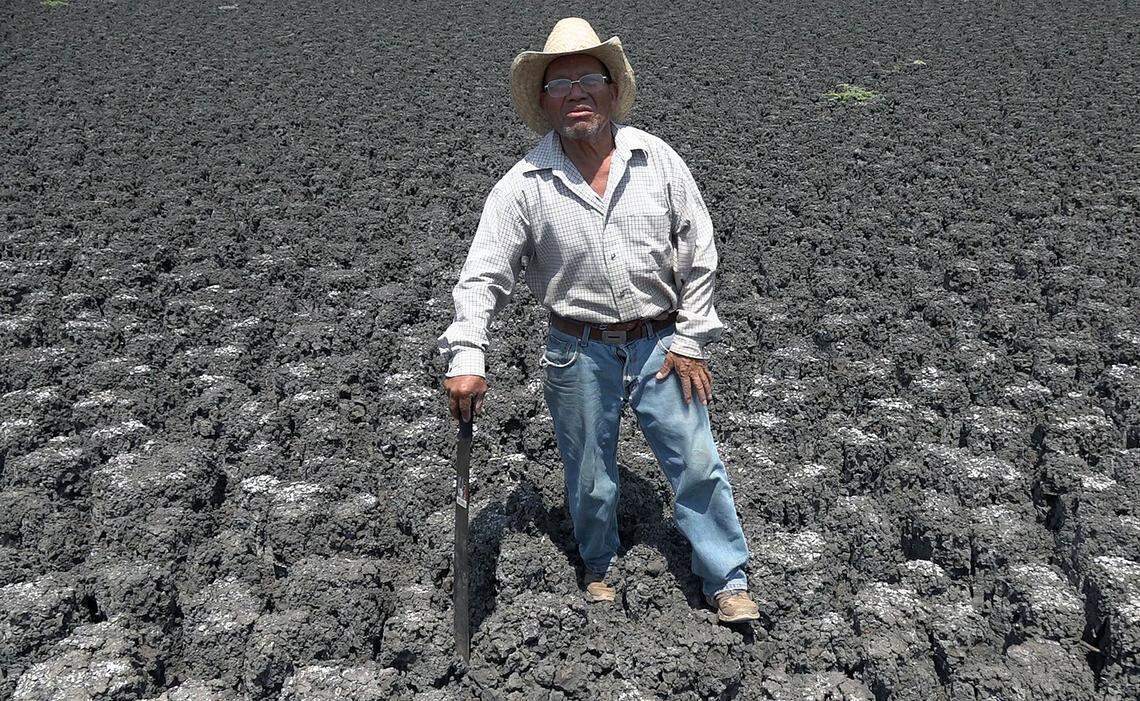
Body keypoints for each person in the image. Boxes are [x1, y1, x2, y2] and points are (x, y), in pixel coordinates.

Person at [437, 17, 759, 623]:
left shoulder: (656, 160)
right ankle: (600, 566)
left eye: (590, 79)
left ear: (613, 91)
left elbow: (699, 251)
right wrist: (468, 354)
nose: (577, 93)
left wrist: (690, 338)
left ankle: (726, 578)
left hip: (661, 342)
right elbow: (483, 274)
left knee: (696, 463)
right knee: (588, 474)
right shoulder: (523, 184)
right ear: (544, 101)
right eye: (561, 85)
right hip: (576, 346)